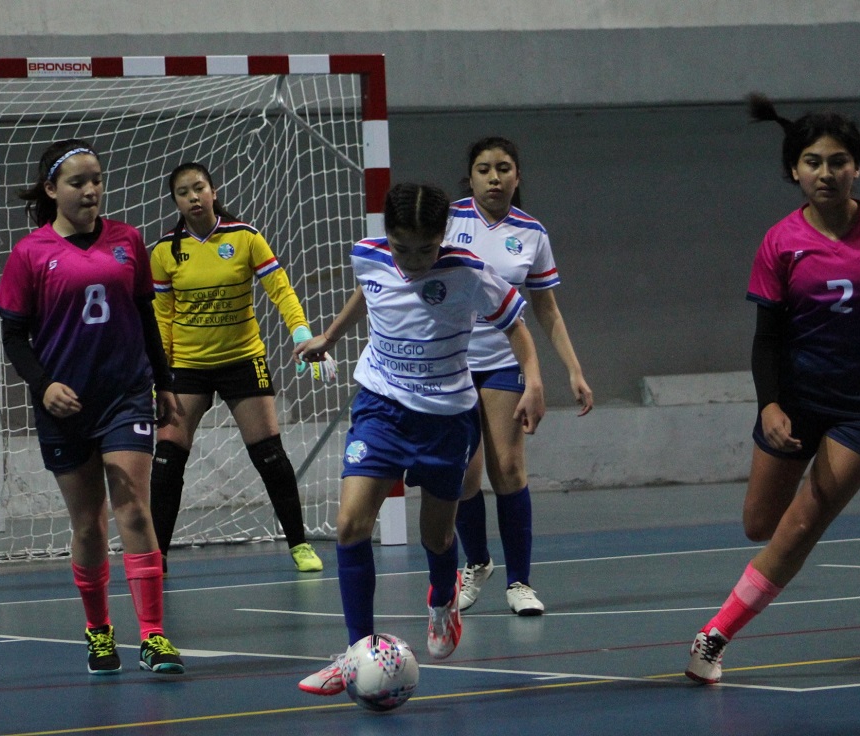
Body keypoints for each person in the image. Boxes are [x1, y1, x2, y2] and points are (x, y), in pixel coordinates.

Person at [684, 95, 860, 686]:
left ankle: (713, 636)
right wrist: (771, 404)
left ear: (856, 167)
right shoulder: (780, 242)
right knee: (761, 524)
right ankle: (778, 551)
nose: (826, 173)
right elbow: (766, 337)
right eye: (813, 162)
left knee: (803, 523)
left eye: (838, 161)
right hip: (797, 400)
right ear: (795, 171)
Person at [294, 182, 546, 696]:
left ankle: (441, 597)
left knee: (436, 535)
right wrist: (331, 336)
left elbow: (517, 324)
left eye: (423, 250)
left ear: (442, 238)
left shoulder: (468, 271)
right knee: (348, 526)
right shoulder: (368, 255)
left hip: (446, 417)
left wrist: (534, 381)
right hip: (380, 406)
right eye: (401, 247)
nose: (411, 260)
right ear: (386, 236)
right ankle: (355, 651)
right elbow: (369, 291)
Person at [0, 139, 185, 676]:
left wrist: (163, 384)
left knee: (136, 511)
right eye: (78, 182)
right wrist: (43, 385)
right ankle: (99, 631)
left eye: (97, 179)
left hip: (125, 394)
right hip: (66, 404)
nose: (92, 190)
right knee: (89, 525)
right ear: (53, 190)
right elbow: (14, 336)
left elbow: (145, 317)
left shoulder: (128, 241)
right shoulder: (31, 252)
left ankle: (153, 636)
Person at [148, 162, 331, 576]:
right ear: (175, 201)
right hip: (188, 367)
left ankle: (299, 544)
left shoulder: (245, 238)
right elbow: (161, 317)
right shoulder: (163, 252)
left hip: (242, 360)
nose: (193, 197)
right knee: (168, 457)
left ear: (213, 191)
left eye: (199, 188)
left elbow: (280, 290)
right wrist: (160, 378)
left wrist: (301, 334)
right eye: (183, 192)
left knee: (269, 454)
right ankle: (156, 556)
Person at [448, 137, 593, 616]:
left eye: (503, 168)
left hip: (505, 362)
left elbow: (547, 309)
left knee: (507, 469)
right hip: (452, 363)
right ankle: (478, 563)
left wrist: (573, 370)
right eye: (484, 169)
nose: (494, 177)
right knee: (463, 477)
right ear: (469, 177)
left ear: (517, 176)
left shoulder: (531, 233)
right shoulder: (449, 221)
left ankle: (520, 582)